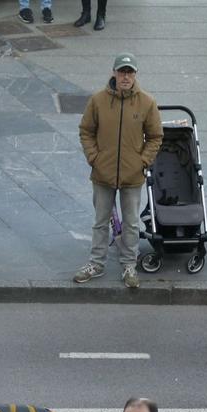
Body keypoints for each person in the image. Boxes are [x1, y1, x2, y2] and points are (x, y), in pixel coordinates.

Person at [74, 53, 161, 288]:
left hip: (132, 176)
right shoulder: (98, 100)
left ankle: (129, 265)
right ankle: (96, 263)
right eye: (121, 71)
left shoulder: (147, 102)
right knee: (100, 221)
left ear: (135, 75)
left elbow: (155, 137)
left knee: (131, 223)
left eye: (129, 72)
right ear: (113, 73)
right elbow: (86, 131)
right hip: (103, 174)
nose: (125, 76)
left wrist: (142, 162)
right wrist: (94, 158)